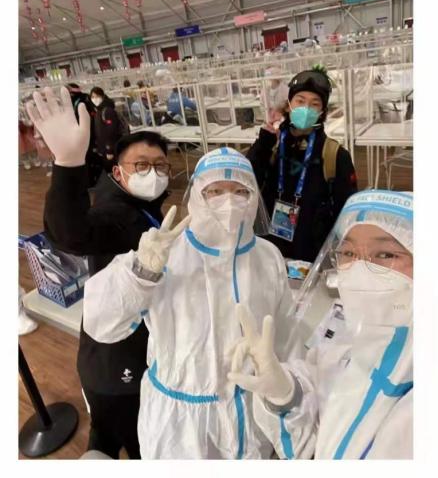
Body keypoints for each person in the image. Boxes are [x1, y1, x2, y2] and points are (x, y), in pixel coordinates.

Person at [82, 147, 299, 459]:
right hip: (179, 422)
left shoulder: (267, 257)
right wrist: (140, 273)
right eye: (215, 191)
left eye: (240, 191)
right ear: (197, 194)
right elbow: (100, 323)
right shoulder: (165, 253)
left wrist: (286, 393)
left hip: (251, 412)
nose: (229, 201)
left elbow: (286, 334)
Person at [26, 86, 173, 459]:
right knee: (137, 440)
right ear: (118, 173)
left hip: (116, 351)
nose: (153, 173)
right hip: (118, 363)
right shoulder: (118, 213)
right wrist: (68, 163)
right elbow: (70, 234)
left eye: (160, 166)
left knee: (110, 433)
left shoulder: (142, 208)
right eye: (141, 165)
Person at [228, 190, 413, 459]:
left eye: (385, 254)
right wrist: (285, 394)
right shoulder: (344, 351)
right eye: (348, 252)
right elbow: (311, 441)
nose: (360, 268)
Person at [247, 67, 357, 263]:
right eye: (300, 101)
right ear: (289, 105)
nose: (306, 108)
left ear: (322, 112)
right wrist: (264, 140)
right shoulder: (272, 144)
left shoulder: (335, 155)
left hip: (311, 255)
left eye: (315, 104)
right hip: (268, 250)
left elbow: (347, 210)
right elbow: (247, 181)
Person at [66, 83, 102, 187]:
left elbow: (90, 120)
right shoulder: (83, 99)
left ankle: (92, 181)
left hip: (88, 135)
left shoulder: (82, 102)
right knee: (88, 158)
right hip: (85, 135)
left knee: (89, 158)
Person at [89, 87, 126, 172]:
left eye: (97, 96)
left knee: (115, 170)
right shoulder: (98, 111)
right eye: (93, 97)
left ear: (102, 96)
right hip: (104, 149)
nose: (95, 99)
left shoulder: (107, 111)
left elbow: (111, 131)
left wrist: (110, 150)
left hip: (110, 149)